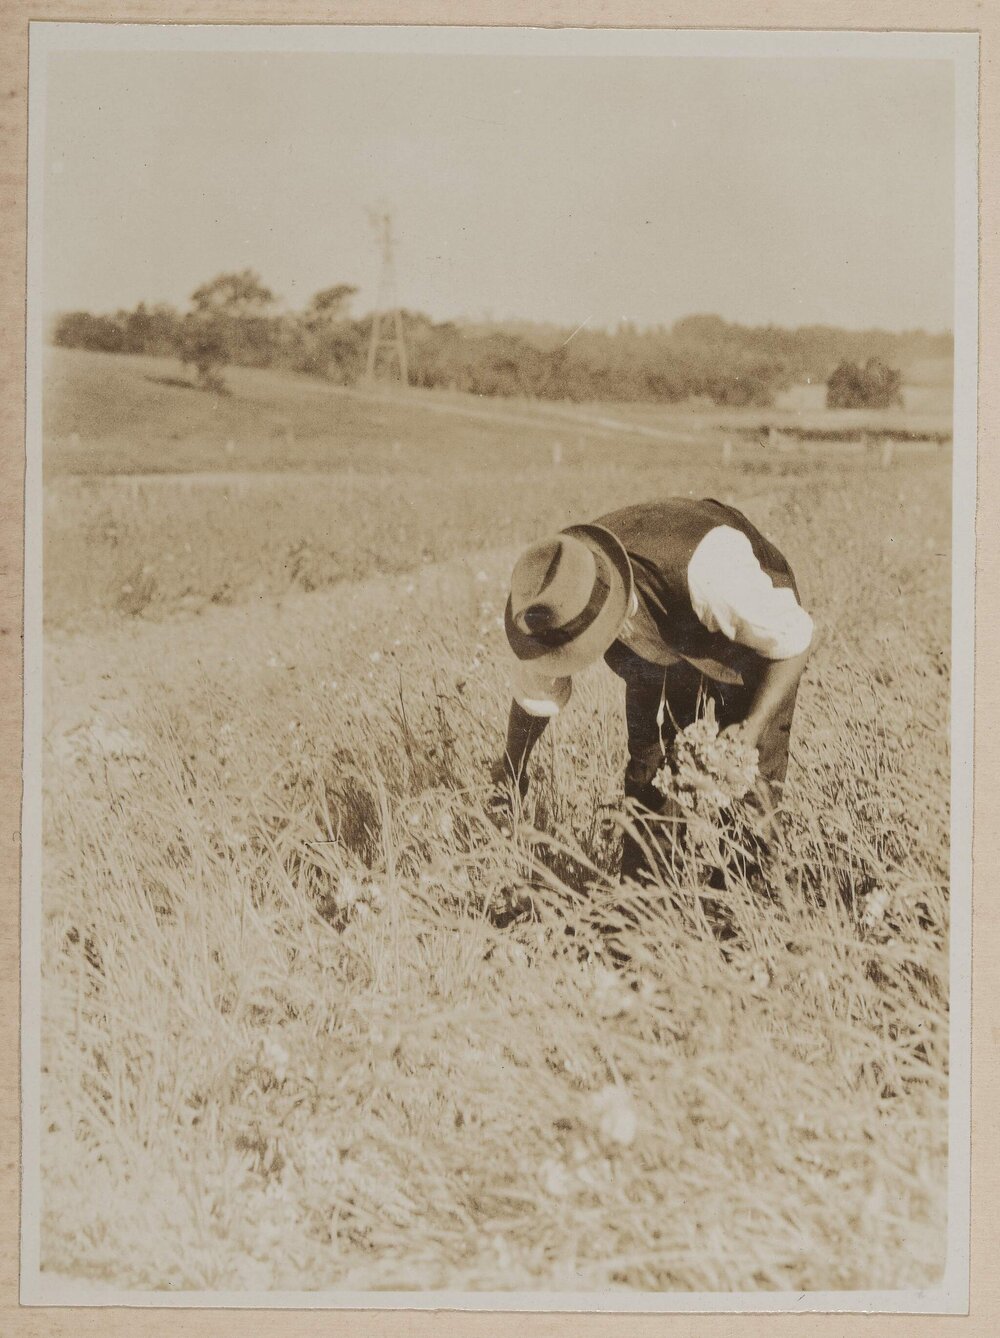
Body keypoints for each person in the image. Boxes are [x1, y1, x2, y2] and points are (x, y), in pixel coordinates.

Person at [491, 497, 814, 881]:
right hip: (660, 633)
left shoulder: (712, 575)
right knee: (649, 773)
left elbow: (793, 641)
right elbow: (534, 695)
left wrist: (751, 729)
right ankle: (647, 898)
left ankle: (746, 895)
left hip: (749, 635)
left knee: (750, 782)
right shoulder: (552, 594)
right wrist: (512, 767)